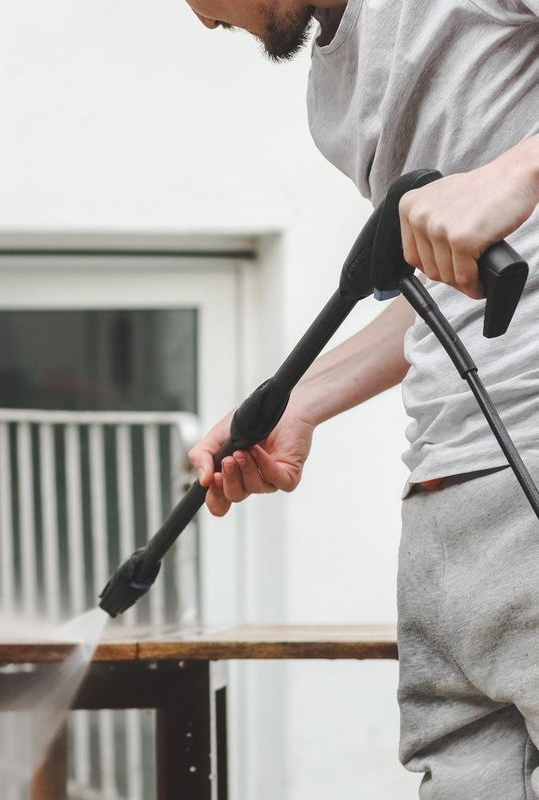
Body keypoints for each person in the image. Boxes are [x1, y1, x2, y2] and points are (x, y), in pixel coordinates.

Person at [182, 0, 539, 796]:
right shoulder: (331, 102)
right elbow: (438, 294)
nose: (202, 22)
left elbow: (492, 206)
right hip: (442, 504)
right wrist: (295, 403)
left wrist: (519, 170)